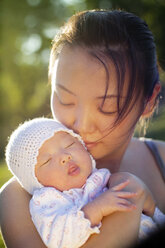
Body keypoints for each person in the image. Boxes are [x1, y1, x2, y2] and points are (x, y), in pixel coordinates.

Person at [0, 9, 165, 248]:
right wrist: (128, 205)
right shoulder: (18, 199)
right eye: (65, 100)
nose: (81, 125)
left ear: (148, 102)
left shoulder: (161, 162)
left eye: (108, 106)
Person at [5, 117, 141, 248]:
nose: (65, 156)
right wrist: (96, 209)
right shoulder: (47, 202)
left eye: (69, 145)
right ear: (36, 181)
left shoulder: (102, 177)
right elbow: (60, 240)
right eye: (47, 160)